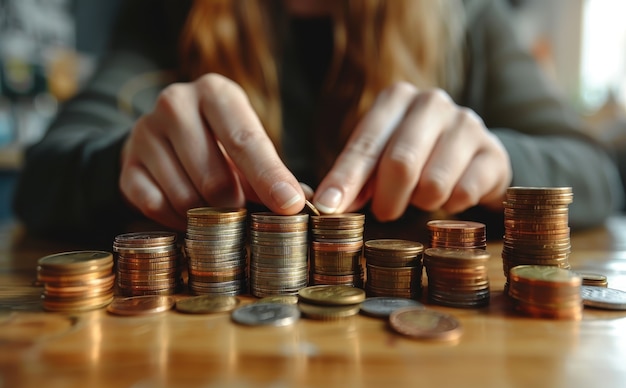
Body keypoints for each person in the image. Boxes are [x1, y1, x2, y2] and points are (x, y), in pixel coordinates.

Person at [12, 0, 624, 242]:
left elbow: (598, 171)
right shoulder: (168, 14)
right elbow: (43, 176)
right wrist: (123, 157)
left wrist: (500, 164)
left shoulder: (468, 18)